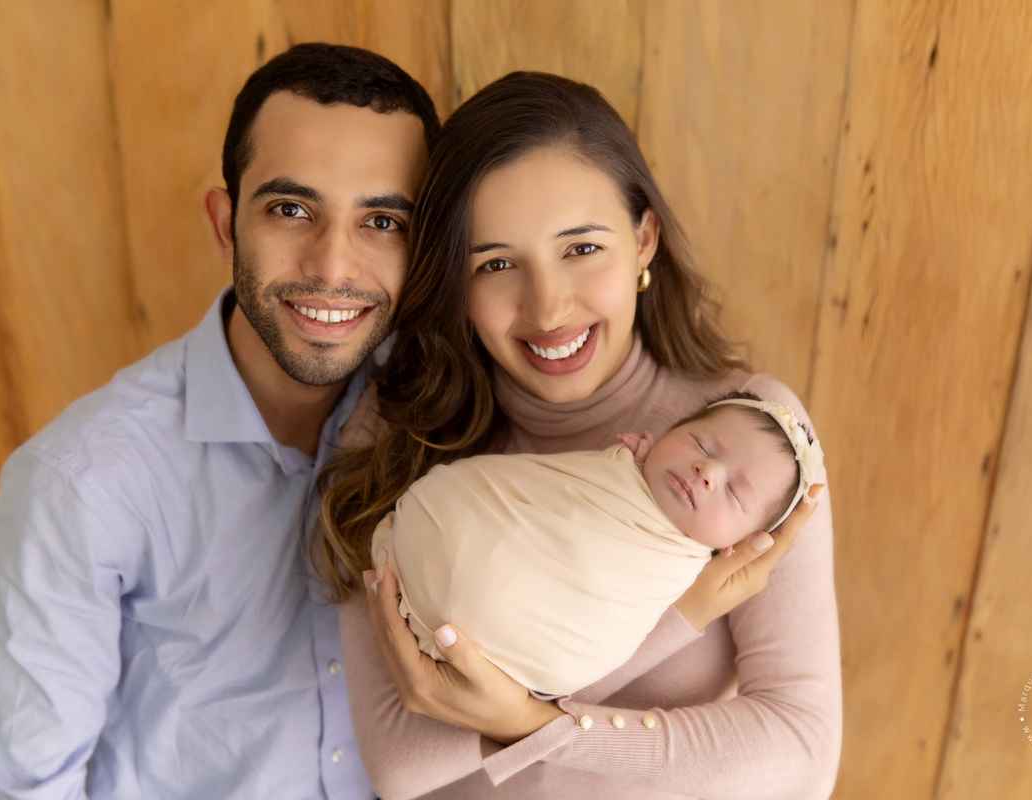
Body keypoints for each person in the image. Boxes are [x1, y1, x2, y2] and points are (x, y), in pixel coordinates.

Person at [315, 71, 841, 799]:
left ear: (643, 239)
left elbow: (803, 754)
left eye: (582, 248)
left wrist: (533, 722)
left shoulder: (752, 441)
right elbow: (401, 766)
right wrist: (682, 617)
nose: (548, 308)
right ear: (456, 285)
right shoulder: (393, 434)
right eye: (497, 264)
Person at [0, 44, 438, 799]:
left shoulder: (440, 422)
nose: (332, 267)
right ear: (226, 225)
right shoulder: (84, 483)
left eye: (382, 220)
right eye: (291, 210)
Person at [370, 391, 827, 698]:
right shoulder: (621, 466)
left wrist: (525, 722)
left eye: (735, 493)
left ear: (739, 545)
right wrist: (628, 466)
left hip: (505, 643)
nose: (706, 472)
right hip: (446, 525)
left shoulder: (683, 569)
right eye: (700, 445)